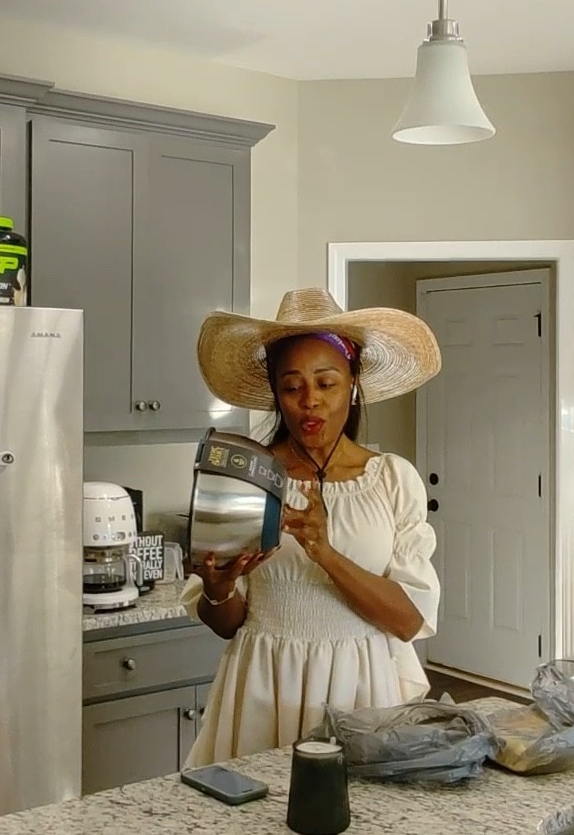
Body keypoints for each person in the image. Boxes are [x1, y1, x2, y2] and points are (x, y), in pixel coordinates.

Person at [181, 287, 442, 767]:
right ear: (276, 393)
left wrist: (326, 553)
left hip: (361, 689)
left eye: (326, 383)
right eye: (292, 387)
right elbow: (227, 624)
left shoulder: (391, 479)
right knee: (257, 810)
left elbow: (407, 621)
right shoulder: (247, 477)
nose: (310, 402)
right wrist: (217, 589)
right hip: (263, 685)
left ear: (353, 384)